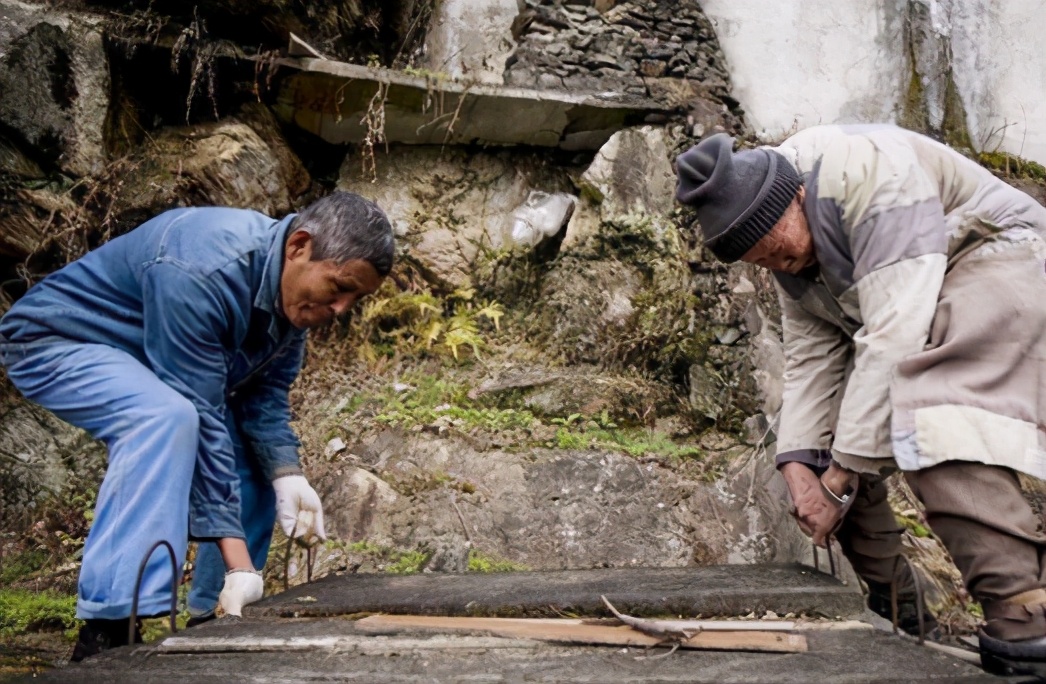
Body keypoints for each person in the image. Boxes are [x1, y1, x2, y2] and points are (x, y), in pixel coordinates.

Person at [675, 124, 1046, 677]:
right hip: (906, 302)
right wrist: (802, 461)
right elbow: (811, 357)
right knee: (826, 448)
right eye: (762, 262)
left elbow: (895, 337)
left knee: (933, 409)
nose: (778, 266)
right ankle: (904, 612)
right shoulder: (788, 244)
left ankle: (1026, 615)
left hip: (995, 253)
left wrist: (843, 473)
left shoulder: (868, 171)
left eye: (777, 249)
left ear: (794, 197)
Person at [0, 191, 394, 660]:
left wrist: (287, 474)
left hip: (149, 357)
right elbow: (200, 412)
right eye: (340, 287)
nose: (342, 309)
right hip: (55, 340)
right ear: (299, 247)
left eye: (357, 298)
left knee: (253, 455)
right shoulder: (200, 268)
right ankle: (109, 625)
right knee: (164, 418)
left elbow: (262, 399)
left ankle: (215, 619)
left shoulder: (293, 302)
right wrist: (240, 561)